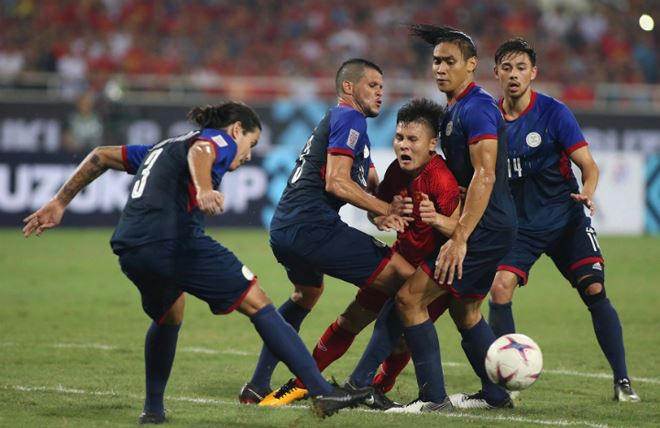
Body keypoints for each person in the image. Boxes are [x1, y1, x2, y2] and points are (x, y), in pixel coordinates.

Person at [22, 101, 371, 424]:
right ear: (237, 130)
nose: (248, 155)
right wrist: (204, 188)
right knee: (258, 301)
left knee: (169, 314)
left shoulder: (162, 147)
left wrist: (59, 202)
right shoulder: (218, 140)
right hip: (174, 240)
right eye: (251, 144)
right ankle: (322, 392)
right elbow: (203, 150)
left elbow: (100, 156)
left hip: (131, 246)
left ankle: (153, 411)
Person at [344, 25, 518, 413]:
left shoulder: (477, 108)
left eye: (449, 61)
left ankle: (433, 398)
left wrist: (460, 236)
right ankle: (495, 394)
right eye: (436, 60)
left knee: (409, 299)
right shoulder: (455, 109)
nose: (440, 68)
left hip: (482, 228)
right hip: (488, 225)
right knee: (466, 312)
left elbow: (485, 175)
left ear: (471, 65)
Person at [258, 98, 462, 408]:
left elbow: (459, 231)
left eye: (412, 139)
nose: (403, 145)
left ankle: (376, 386)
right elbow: (376, 211)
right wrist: (381, 217)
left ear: (432, 143)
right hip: (400, 260)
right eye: (399, 137)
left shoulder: (441, 179)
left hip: (427, 274)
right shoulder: (396, 172)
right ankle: (302, 384)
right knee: (350, 319)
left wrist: (436, 219)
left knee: (402, 335)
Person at [239, 59, 417, 406]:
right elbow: (336, 182)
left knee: (307, 293)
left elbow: (365, 181)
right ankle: (364, 384)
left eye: (382, 87)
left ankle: (258, 384)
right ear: (348, 87)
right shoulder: (349, 117)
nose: (380, 93)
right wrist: (385, 209)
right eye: (372, 85)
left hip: (285, 228)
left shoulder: (347, 127)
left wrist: (376, 210)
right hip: (312, 227)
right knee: (406, 282)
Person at [487, 37, 640, 402]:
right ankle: (505, 382)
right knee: (500, 287)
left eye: (521, 68)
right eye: (507, 68)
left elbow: (588, 165)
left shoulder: (554, 113)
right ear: (496, 74)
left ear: (533, 73)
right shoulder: (488, 119)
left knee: (594, 289)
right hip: (520, 228)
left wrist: (588, 190)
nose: (513, 75)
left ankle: (622, 381)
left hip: (565, 219)